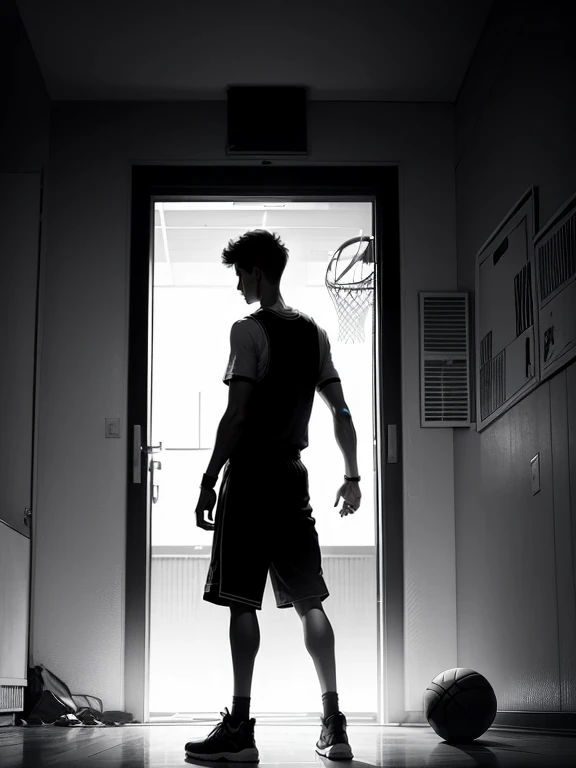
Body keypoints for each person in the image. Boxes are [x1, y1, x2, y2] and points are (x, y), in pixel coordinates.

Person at [185, 229, 362, 763]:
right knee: (310, 600)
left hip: (252, 477)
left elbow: (237, 415)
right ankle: (334, 723)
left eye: (240, 273)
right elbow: (344, 414)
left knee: (241, 600)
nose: (238, 284)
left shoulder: (248, 330)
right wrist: (352, 477)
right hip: (292, 476)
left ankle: (240, 730)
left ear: (257, 270)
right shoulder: (314, 334)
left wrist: (208, 477)